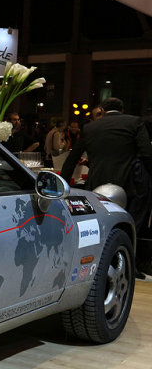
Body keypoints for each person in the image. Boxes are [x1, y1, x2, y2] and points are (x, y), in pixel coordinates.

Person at [61, 97, 152, 276]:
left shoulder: (90, 128)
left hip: (98, 182)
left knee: (102, 224)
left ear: (102, 111)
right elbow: (147, 154)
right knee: (134, 222)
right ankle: (130, 264)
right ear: (122, 110)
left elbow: (72, 159)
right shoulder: (134, 122)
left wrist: (62, 183)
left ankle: (99, 263)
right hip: (131, 181)